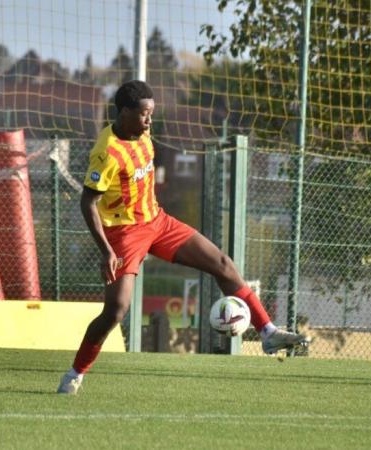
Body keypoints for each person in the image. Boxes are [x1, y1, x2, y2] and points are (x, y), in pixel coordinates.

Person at [57, 80, 310, 395]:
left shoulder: (144, 134)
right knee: (117, 310)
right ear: (124, 113)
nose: (150, 120)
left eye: (152, 113)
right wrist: (106, 250)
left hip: (158, 221)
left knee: (222, 263)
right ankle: (75, 372)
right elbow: (88, 203)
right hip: (124, 233)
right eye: (144, 114)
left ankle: (267, 332)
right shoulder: (106, 152)